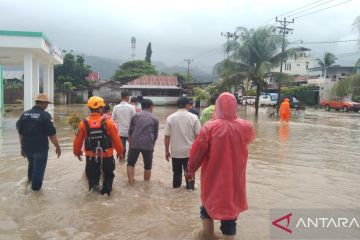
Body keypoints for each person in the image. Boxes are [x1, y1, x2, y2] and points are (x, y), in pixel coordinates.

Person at [186, 92, 255, 240]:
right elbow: (248, 141)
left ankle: (208, 236)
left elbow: (197, 153)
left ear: (217, 106)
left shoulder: (209, 127)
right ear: (235, 105)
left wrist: (190, 170)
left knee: (207, 205)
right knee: (230, 209)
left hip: (213, 175)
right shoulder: (246, 127)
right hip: (235, 176)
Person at [73, 96, 123, 195]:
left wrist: (77, 152)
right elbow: (116, 139)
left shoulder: (83, 123)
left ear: (90, 108)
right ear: (100, 108)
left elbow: (77, 141)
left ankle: (93, 199)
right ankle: (107, 196)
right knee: (108, 178)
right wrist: (120, 152)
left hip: (91, 157)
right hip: (107, 156)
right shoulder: (108, 122)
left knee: (92, 180)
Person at [16, 94, 61, 191]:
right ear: (43, 104)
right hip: (40, 149)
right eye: (47, 104)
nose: (47, 106)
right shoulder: (45, 116)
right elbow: (52, 135)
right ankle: (35, 195)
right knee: (39, 171)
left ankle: (28, 186)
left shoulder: (24, 114)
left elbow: (20, 134)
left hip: (27, 148)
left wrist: (22, 148)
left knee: (31, 166)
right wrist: (58, 147)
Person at [164, 96, 201, 189]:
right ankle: (190, 191)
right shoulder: (194, 117)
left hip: (176, 152)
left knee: (176, 175)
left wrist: (166, 151)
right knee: (190, 174)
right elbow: (199, 137)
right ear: (187, 105)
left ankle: (176, 194)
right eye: (189, 105)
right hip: (190, 152)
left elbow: (167, 136)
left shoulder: (170, 118)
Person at [127, 99, 159, 185]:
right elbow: (155, 134)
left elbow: (130, 131)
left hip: (135, 143)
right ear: (151, 106)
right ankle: (146, 186)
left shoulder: (135, 116)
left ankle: (130, 183)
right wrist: (152, 143)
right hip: (148, 144)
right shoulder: (155, 118)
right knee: (148, 167)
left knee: (130, 163)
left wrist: (131, 141)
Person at [112, 91, 136, 160]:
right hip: (130, 132)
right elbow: (134, 120)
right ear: (127, 97)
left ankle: (121, 160)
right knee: (132, 148)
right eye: (128, 96)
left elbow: (112, 119)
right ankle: (130, 161)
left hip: (120, 132)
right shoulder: (131, 107)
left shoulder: (116, 107)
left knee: (122, 148)